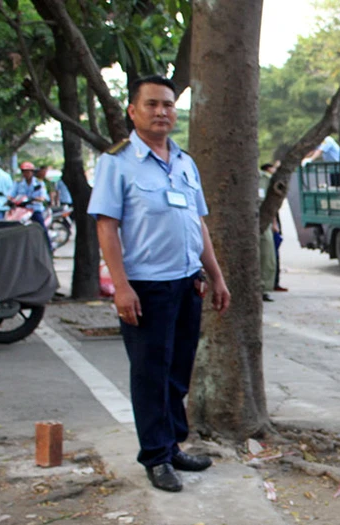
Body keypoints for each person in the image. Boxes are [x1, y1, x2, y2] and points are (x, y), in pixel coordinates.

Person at [89, 74, 231, 493]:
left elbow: (198, 224)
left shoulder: (185, 163)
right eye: (151, 104)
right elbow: (106, 227)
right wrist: (121, 286)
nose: (161, 111)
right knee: (150, 373)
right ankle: (154, 456)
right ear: (133, 111)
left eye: (168, 104)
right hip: (145, 287)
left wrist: (217, 276)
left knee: (177, 371)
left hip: (187, 284)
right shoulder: (116, 163)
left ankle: (171, 446)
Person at [258, 162, 277, 302]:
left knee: (267, 257)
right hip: (244, 222)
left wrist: (274, 223)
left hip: (262, 222)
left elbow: (272, 203)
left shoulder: (265, 179)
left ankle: (264, 289)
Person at [12, 162, 50, 226]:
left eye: (28, 172)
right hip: (22, 210)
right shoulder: (18, 183)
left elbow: (43, 197)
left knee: (41, 227)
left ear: (32, 172)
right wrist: (10, 200)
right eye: (24, 172)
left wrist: (34, 199)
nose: (26, 174)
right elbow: (11, 194)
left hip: (35, 209)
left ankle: (45, 235)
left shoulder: (39, 183)